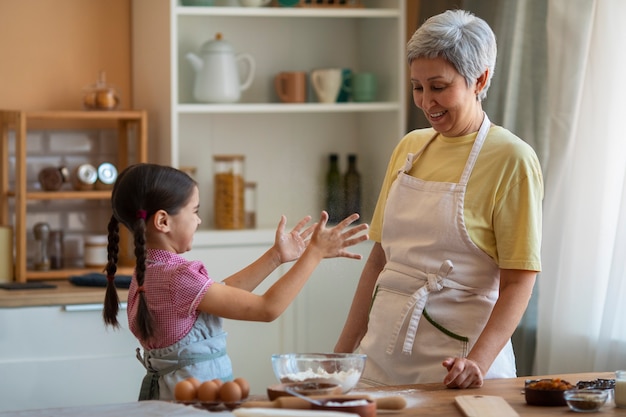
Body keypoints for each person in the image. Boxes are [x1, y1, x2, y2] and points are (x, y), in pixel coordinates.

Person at [334, 9, 543, 389]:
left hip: (459, 368)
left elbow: (519, 281)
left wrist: (476, 364)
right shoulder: (410, 147)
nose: (427, 102)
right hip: (380, 361)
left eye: (439, 86)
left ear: (480, 79)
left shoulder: (512, 159)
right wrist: (341, 355)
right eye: (417, 87)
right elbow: (380, 260)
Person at [102, 163, 368, 400]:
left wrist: (276, 257)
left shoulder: (150, 271)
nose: (199, 219)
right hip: (194, 406)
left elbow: (221, 294)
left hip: (170, 398)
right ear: (163, 221)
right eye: (194, 211)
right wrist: (314, 254)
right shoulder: (177, 277)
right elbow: (267, 308)